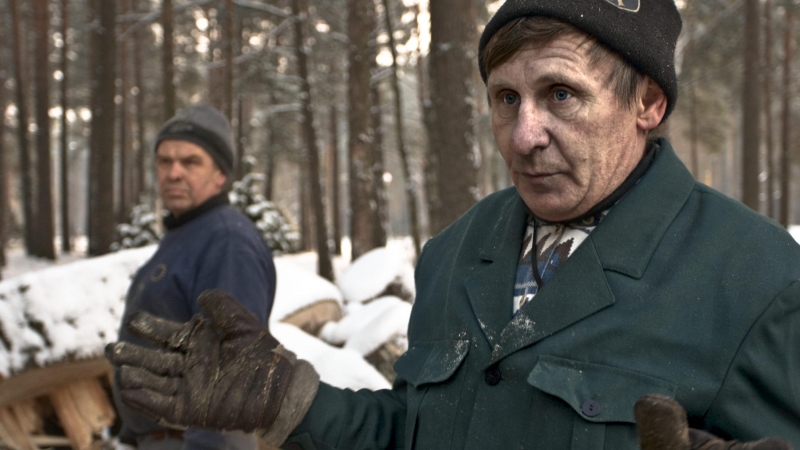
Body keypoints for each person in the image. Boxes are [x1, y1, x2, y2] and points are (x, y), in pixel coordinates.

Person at [107, 1, 800, 449]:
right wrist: (292, 397)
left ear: (647, 101)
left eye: (561, 94)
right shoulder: (456, 253)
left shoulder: (759, 281)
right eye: (506, 98)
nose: (525, 134)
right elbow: (412, 433)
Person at [112, 105, 277, 450]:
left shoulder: (226, 243)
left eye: (190, 162)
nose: (173, 172)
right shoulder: (186, 235)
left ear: (220, 174)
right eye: (164, 161)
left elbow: (232, 370)